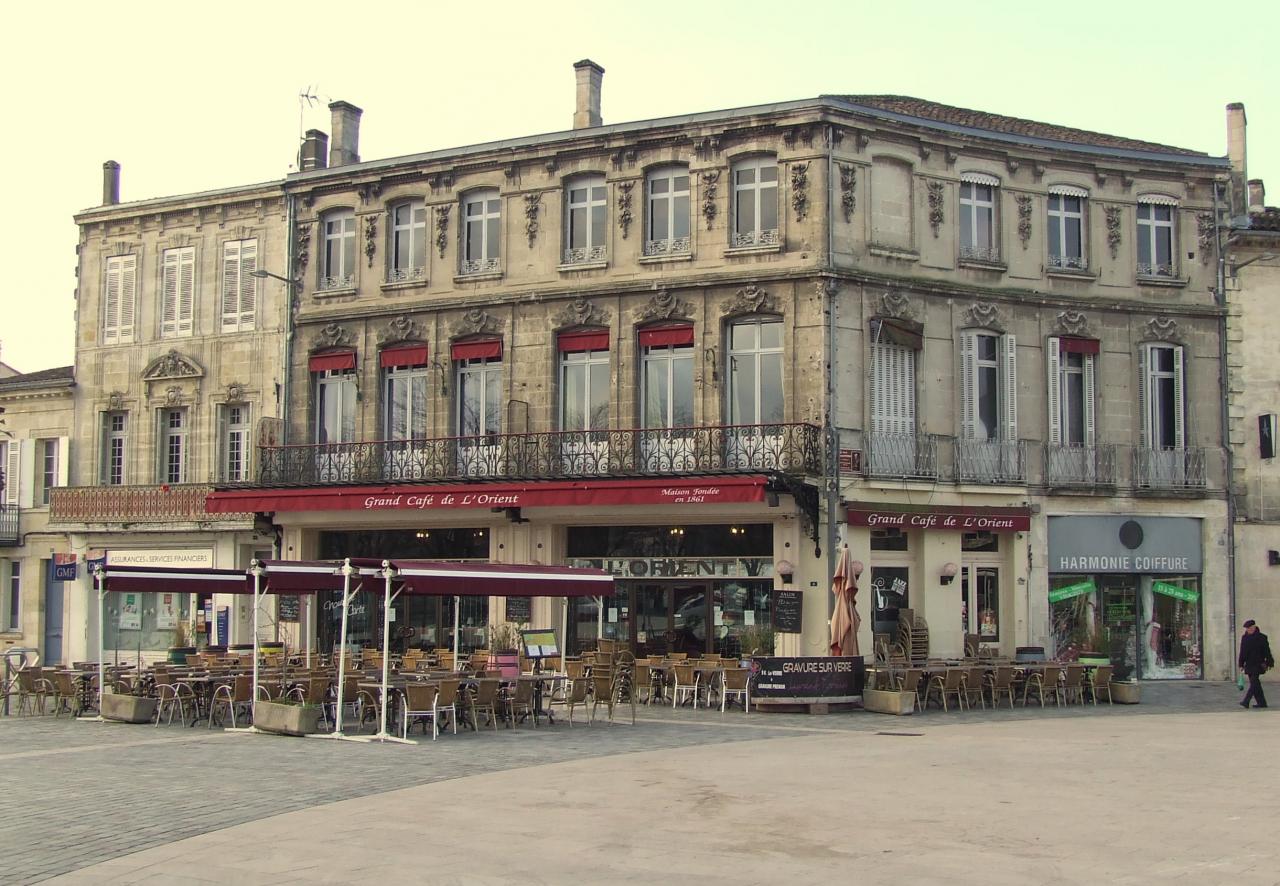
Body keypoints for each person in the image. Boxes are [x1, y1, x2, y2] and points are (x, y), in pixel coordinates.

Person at [1238, 619, 1274, 709]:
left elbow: (1267, 651)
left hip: (1258, 664)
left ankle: (1246, 701)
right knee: (1255, 683)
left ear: (1254, 627)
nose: (1248, 630)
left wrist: (1269, 662)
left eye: (1250, 628)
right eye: (1247, 628)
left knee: (1254, 682)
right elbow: (1242, 652)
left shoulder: (1262, 637)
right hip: (1249, 664)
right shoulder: (1244, 638)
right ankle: (1262, 703)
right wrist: (1241, 664)